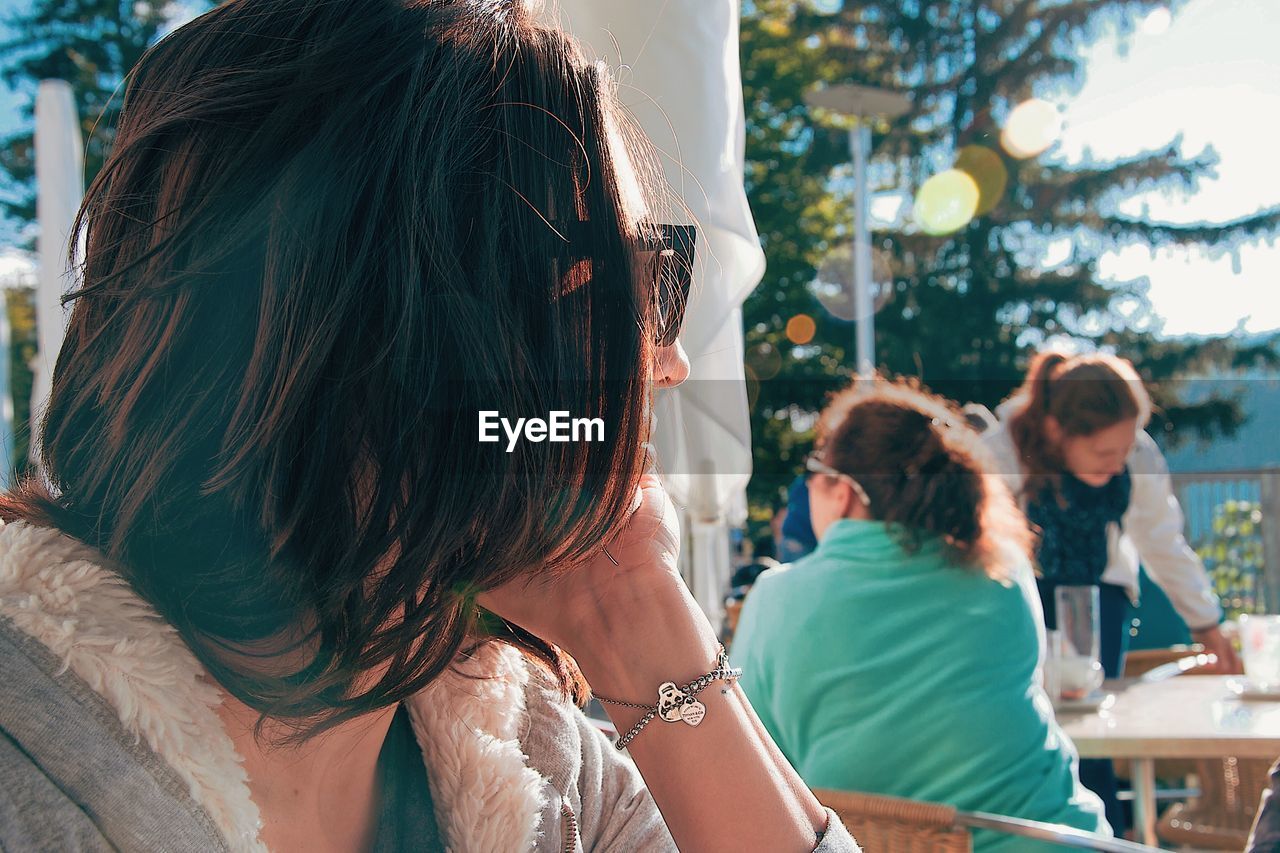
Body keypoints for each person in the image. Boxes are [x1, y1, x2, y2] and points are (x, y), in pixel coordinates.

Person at [0, 2, 858, 851]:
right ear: (386, 333)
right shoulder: (33, 774)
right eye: (617, 289)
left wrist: (636, 614)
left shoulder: (527, 750)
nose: (664, 360)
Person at [731, 380, 1109, 852]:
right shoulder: (1004, 572)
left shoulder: (777, 598)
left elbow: (754, 763)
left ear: (844, 491)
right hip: (1059, 839)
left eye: (814, 472)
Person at [981, 349, 1242, 834]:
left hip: (1099, 597)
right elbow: (981, 544)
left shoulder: (1133, 452)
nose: (1117, 462)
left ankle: (1110, 834)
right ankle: (1035, 833)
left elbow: (1161, 539)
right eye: (1104, 454)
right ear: (1058, 432)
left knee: (1095, 723)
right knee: (1037, 723)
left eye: (1123, 451)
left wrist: (1206, 622)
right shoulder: (1004, 452)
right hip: (1025, 595)